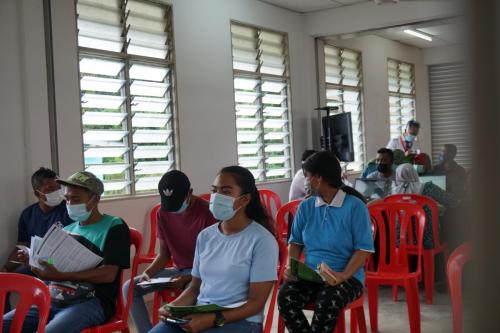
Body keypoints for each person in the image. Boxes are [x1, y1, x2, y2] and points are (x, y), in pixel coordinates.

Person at [149, 166, 278, 333]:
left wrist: (212, 319)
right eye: (214, 190)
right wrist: (174, 306)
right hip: (200, 314)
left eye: (225, 191)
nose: (217, 197)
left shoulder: (262, 241)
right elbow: (194, 288)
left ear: (245, 199)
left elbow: (256, 303)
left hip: (239, 321)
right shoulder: (205, 236)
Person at [2, 171, 130, 333]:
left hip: (90, 302)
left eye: (76, 199)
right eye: (67, 198)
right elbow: (53, 264)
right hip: (52, 299)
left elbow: (108, 274)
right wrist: (35, 261)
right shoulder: (67, 229)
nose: (69, 203)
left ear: (95, 199)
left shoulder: (114, 226)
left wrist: (62, 276)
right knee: (4, 326)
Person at [277, 151, 374, 333]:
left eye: (307, 177)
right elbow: (295, 242)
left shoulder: (355, 206)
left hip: (347, 277)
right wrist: (292, 266)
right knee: (285, 297)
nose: (304, 182)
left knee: (328, 300)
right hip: (311, 274)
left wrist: (343, 275)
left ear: (319, 178)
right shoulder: (306, 206)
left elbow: (363, 249)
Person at [123, 170, 217, 333]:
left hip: (202, 273)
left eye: (177, 202)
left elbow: (215, 261)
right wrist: (148, 274)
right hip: (177, 271)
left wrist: (188, 277)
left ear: (190, 193)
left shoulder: (208, 213)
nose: (173, 209)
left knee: (191, 289)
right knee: (130, 288)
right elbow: (164, 254)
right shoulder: (163, 213)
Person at [1, 167, 71, 274]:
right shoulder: (27, 214)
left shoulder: (68, 211)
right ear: (38, 194)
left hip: (61, 264)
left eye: (59, 188)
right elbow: (22, 246)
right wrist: (6, 269)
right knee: (15, 279)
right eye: (51, 189)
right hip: (36, 263)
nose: (57, 192)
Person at [393, 164, 458, 249]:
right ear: (414, 173)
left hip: (399, 241)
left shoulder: (392, 194)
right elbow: (452, 201)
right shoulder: (427, 188)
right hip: (427, 241)